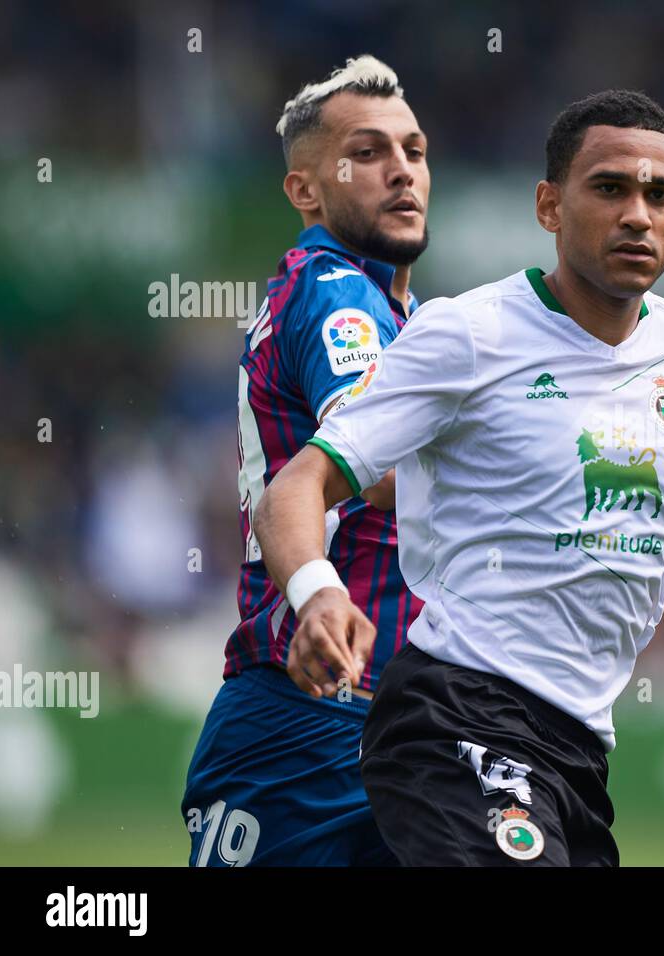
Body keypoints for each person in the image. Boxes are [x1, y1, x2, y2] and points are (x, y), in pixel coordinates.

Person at [254, 89, 664, 865]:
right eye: (611, 188)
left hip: (577, 752)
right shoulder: (468, 333)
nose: (637, 215)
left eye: (660, 194)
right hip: (455, 715)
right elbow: (296, 485)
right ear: (550, 206)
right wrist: (317, 593)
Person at [181, 55, 429, 866]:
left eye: (415, 151)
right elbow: (379, 466)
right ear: (305, 190)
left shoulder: (404, 312)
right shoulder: (337, 295)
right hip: (308, 718)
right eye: (367, 152)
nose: (401, 171)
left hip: (386, 718)